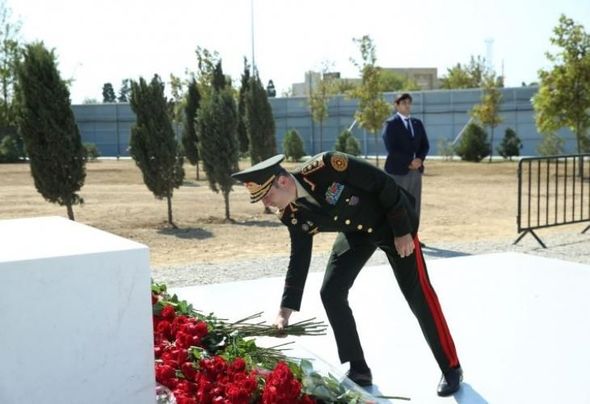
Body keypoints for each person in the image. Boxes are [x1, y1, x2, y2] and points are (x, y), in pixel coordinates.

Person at [232, 152, 462, 397]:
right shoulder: (290, 213)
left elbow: (384, 184)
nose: (266, 203)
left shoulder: (326, 166)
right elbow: (299, 257)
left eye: (267, 195)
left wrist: (402, 231)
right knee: (331, 292)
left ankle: (451, 368)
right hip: (356, 232)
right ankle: (359, 369)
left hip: (391, 223)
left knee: (417, 293)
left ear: (283, 181)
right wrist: (284, 311)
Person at [382, 93, 430, 226]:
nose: (407, 105)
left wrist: (419, 159)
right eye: (403, 103)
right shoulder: (390, 124)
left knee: (415, 203)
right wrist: (409, 161)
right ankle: (398, 234)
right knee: (398, 204)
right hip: (397, 171)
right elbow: (391, 148)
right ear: (396, 105)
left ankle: (413, 234)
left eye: (409, 103)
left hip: (416, 171)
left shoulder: (417, 123)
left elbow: (425, 145)